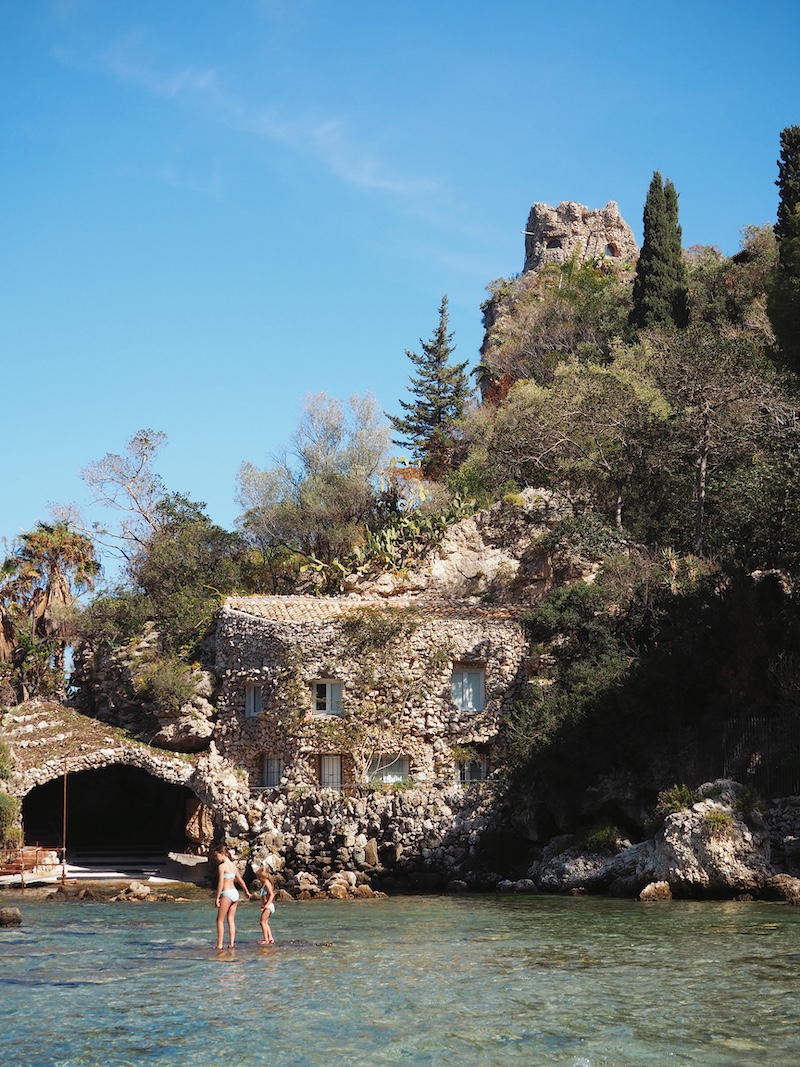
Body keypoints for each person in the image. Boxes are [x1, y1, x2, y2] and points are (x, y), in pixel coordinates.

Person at [213, 845, 251, 949]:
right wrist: (246, 891)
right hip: (235, 893)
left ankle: (220, 945)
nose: (216, 858)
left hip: (227, 893)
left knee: (219, 920)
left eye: (217, 856)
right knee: (231, 919)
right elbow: (240, 880)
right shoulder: (234, 866)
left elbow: (221, 883)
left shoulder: (222, 867)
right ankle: (231, 944)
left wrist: (217, 898)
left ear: (222, 854)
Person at [256, 867, 276, 945]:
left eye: (260, 878)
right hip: (266, 905)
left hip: (269, 906)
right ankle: (270, 938)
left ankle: (266, 939)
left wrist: (266, 905)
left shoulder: (267, 883)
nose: (259, 880)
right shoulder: (264, 884)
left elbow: (271, 895)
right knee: (265, 922)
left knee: (262, 922)